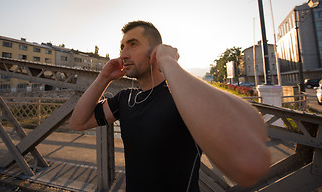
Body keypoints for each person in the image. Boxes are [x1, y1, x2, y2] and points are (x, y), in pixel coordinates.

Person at [69, 21, 270, 191]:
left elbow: (249, 160)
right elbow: (78, 122)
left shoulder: (181, 97)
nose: (123, 54)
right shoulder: (126, 99)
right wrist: (104, 78)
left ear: (155, 50)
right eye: (121, 47)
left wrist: (166, 61)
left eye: (132, 44)